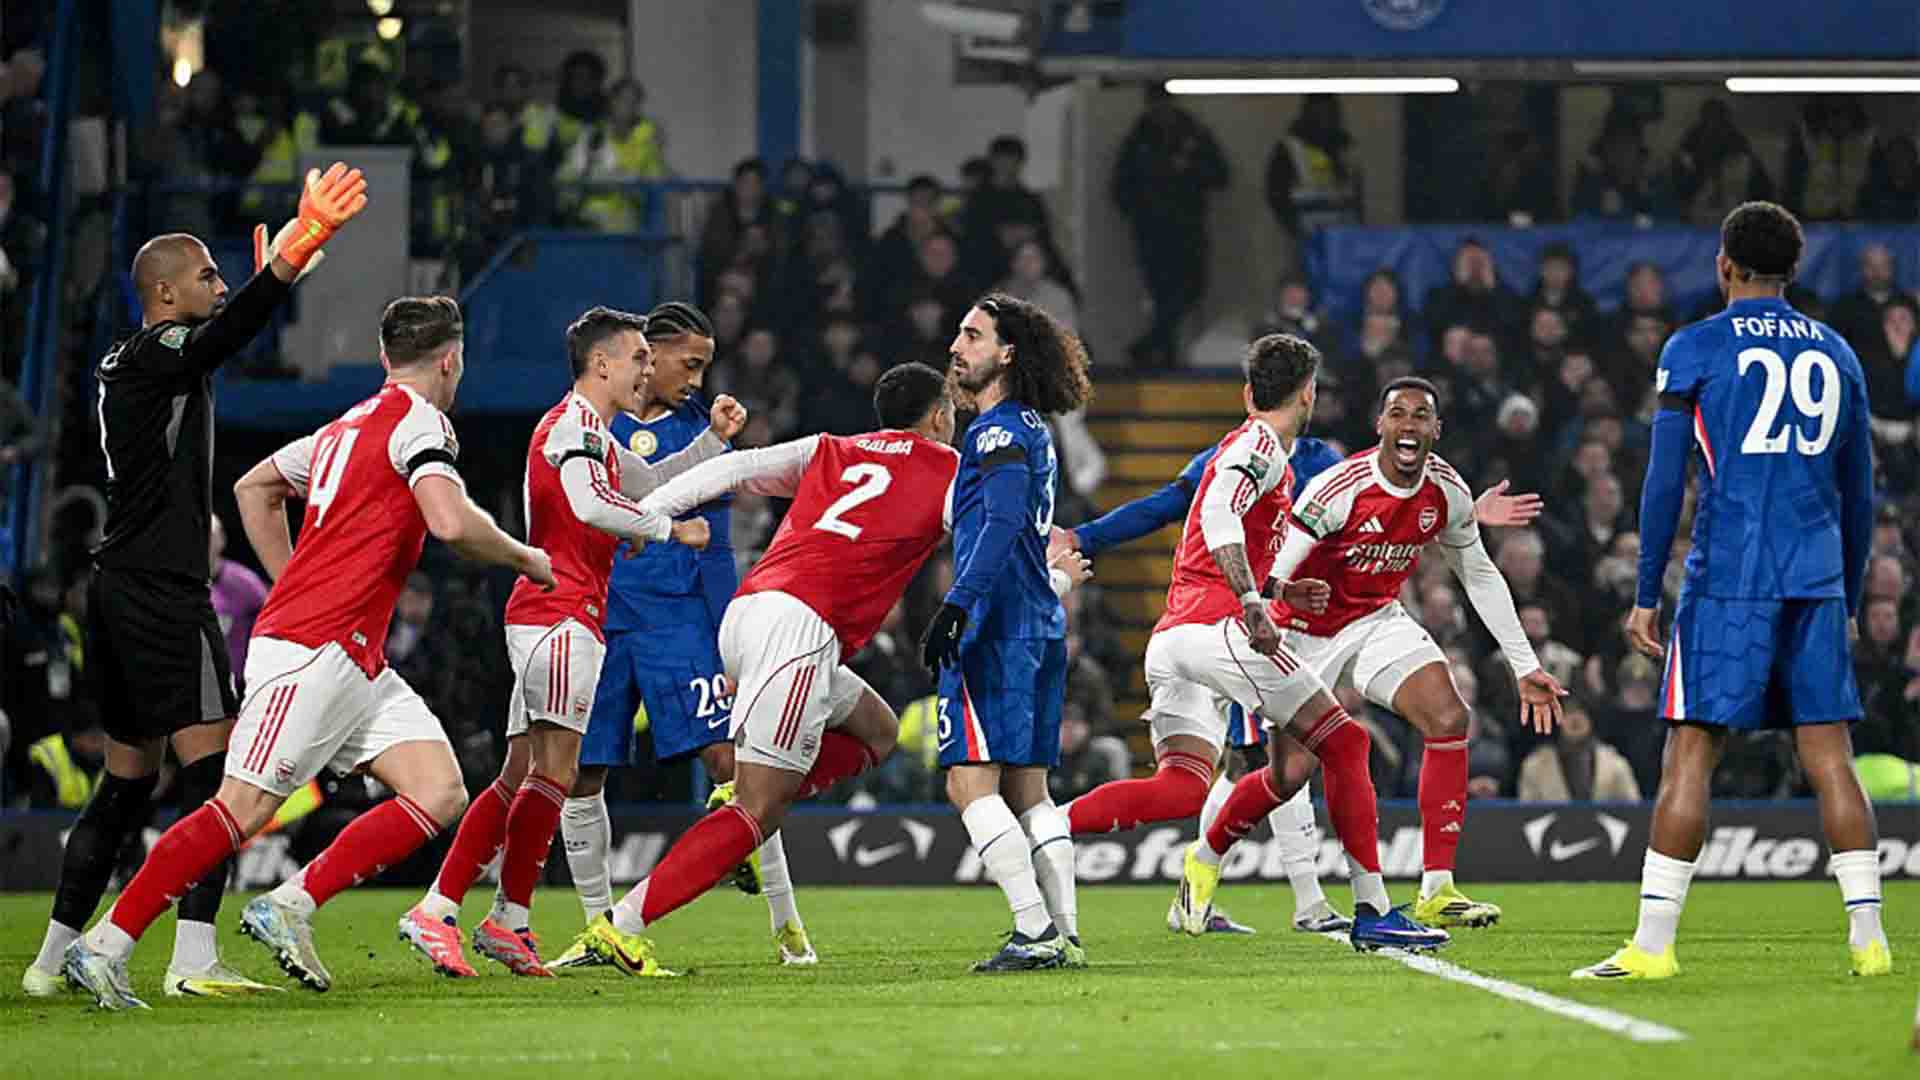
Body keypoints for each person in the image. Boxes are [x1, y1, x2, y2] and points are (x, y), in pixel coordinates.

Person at [60, 295, 556, 1010]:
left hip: (353, 654)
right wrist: (524, 556)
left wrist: (292, 578)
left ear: (386, 358)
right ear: (451, 359)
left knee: (439, 789)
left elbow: (254, 487)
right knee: (243, 807)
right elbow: (448, 520)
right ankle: (106, 946)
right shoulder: (423, 424)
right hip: (314, 649)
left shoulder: (347, 425)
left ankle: (290, 903)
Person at [561, 362, 1085, 974]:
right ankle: (619, 929)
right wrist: (1054, 575)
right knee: (757, 811)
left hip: (750, 613)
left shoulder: (832, 449)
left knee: (878, 730)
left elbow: (733, 468)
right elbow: (993, 549)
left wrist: (647, 515)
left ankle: (745, 809)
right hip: (800, 633)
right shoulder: (951, 471)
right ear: (941, 416)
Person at [21, 163, 365, 1002]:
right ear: (165, 295)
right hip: (164, 596)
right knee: (219, 782)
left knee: (127, 780)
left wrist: (271, 280)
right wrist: (288, 260)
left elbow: (220, 339)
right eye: (206, 273)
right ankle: (192, 959)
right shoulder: (161, 351)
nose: (218, 282)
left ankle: (48, 961)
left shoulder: (139, 362)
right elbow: (220, 337)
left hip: (120, 590)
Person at [1573, 201, 1887, 980]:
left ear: (1723, 265)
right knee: (1831, 758)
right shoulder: (1839, 352)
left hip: (1729, 583)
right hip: (1814, 578)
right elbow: (1862, 494)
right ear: (1794, 269)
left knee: (1690, 755)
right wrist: (1845, 600)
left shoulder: (1698, 346)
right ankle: (1869, 941)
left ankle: (1651, 948)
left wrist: (1647, 592)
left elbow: (1663, 480)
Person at [1060, 434, 1540, 933]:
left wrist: (1457, 515)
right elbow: (1164, 506)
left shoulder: (1321, 461)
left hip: (1345, 616)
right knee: (1282, 771)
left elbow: (1387, 506)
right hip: (1268, 625)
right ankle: (1230, 872)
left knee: (1399, 730)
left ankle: (1412, 890)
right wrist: (1084, 537)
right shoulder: (1232, 458)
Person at [399, 306, 737, 977]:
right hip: (558, 612)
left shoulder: (597, 434)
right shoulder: (572, 426)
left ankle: (505, 920)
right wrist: (673, 534)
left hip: (563, 612)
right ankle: (442, 910)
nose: (648, 370)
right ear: (604, 362)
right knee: (549, 772)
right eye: (639, 358)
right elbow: (589, 506)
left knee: (527, 773)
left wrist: (716, 445)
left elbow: (655, 483)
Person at [1206, 378, 1564, 931]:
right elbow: (1278, 574)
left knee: (1449, 717)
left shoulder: (1447, 490)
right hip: (1300, 629)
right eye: (1398, 413)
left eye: (1421, 416)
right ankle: (1203, 861)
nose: (1409, 424)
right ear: (1381, 426)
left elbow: (1479, 574)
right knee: (1288, 775)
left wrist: (1524, 665)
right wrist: (1270, 608)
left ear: (1435, 431)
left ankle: (1437, 889)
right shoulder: (1337, 489)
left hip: (1375, 620)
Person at [546, 303, 818, 970]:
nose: (694, 378)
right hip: (604, 620)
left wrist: (730, 639)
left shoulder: (704, 431)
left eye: (703, 366)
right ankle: (596, 930)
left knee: (734, 767)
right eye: (686, 363)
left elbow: (717, 549)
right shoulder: (589, 426)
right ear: (649, 352)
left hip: (680, 624)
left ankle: (787, 927)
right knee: (583, 774)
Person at [920, 294, 1095, 971]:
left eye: (972, 335)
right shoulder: (1027, 426)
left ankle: (1034, 931)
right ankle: (1064, 931)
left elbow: (998, 522)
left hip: (994, 630)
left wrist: (956, 605)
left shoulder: (994, 432)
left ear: (1007, 353)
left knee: (969, 783)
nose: (957, 346)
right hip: (1038, 624)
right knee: (1029, 792)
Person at [1517, 696, 1641, 801]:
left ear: (1591, 719)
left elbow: (1633, 811)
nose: (1575, 719)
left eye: (1581, 713)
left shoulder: (1615, 764)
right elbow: (1525, 817)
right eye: (1568, 713)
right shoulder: (1535, 766)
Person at [208, 515, 269, 683]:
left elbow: (269, 629)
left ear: (221, 538)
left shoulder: (246, 583)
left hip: (238, 683)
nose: (205, 543)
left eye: (210, 536)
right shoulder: (176, 585)